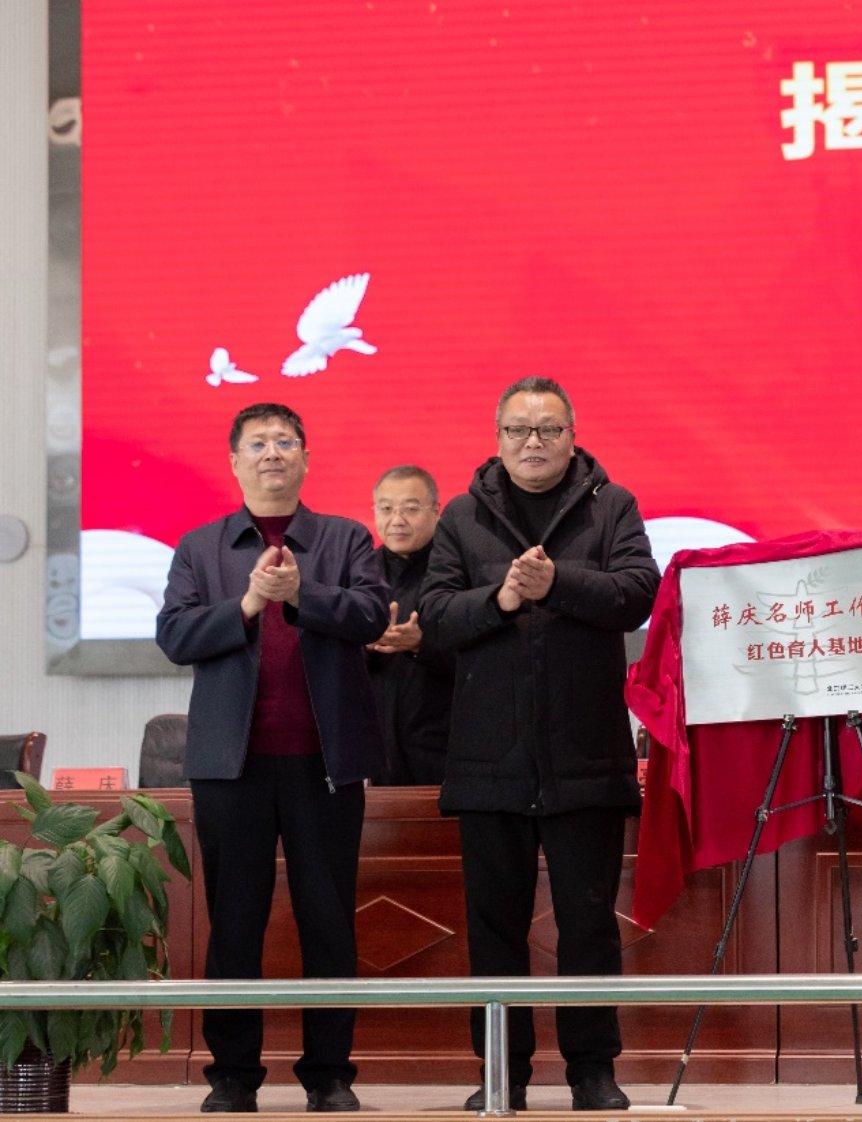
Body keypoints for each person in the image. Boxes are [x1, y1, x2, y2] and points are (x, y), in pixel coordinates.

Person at [419, 376, 660, 1112]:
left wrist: (557, 582)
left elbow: (639, 593)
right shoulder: (462, 516)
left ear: (572, 436)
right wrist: (501, 598)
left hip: (585, 755)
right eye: (519, 430)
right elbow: (435, 617)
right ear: (497, 438)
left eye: (548, 429)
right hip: (488, 760)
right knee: (494, 930)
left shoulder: (611, 506)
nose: (533, 442)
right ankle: (502, 1074)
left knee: (589, 925)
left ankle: (593, 1071)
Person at [155, 403, 386, 1114]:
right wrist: (250, 603)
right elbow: (174, 635)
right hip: (232, 767)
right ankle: (231, 1076)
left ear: (307, 458)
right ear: (235, 461)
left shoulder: (346, 539)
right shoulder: (202, 547)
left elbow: (372, 615)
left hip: (325, 763)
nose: (273, 453)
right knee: (234, 923)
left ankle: (329, 1075)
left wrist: (303, 594)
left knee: (329, 922)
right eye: (257, 443)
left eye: (286, 441)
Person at [365, 464, 453, 785]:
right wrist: (362, 644)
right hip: (372, 751)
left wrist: (421, 645)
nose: (397, 520)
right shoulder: (359, 574)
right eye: (386, 509)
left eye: (411, 509)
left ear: (436, 511)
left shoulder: (456, 572)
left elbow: (486, 661)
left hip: (443, 750)